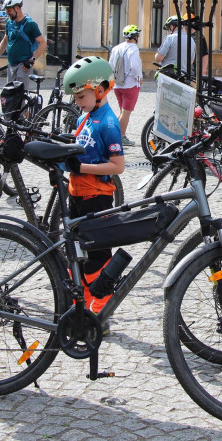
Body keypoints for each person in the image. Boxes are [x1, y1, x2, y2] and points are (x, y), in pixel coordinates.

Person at [62, 56, 126, 320]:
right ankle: (82, 306)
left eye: (81, 97)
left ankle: (101, 310)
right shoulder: (86, 117)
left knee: (98, 258)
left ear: (99, 90)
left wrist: (81, 168)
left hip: (97, 198)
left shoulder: (109, 123)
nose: (77, 102)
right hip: (77, 195)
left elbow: (118, 166)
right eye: (75, 98)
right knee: (76, 253)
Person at [0, 0, 46, 85]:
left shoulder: (30, 24)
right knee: (10, 94)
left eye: (9, 10)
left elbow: (43, 43)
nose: (7, 13)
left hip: (23, 65)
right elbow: (5, 40)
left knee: (20, 95)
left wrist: (31, 60)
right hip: (11, 64)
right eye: (6, 10)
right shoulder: (9, 23)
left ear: (17, 8)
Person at [107, 24, 143, 146]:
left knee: (122, 112)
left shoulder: (116, 48)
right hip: (130, 85)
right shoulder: (133, 48)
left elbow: (110, 65)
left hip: (118, 85)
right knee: (126, 113)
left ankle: (111, 135)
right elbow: (135, 66)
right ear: (136, 36)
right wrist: (140, 78)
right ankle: (120, 137)